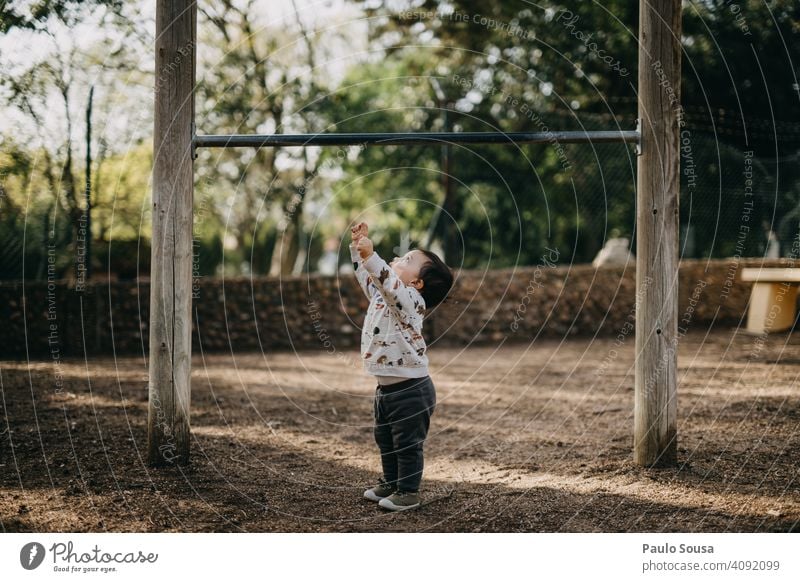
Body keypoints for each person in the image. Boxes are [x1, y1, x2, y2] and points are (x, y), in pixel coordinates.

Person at [349, 221, 453, 511]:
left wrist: (373, 257)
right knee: (385, 439)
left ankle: (408, 492)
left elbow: (388, 282)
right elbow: (370, 279)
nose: (397, 259)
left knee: (407, 444)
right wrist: (359, 252)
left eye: (407, 260)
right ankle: (392, 482)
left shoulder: (411, 301)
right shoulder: (385, 295)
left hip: (412, 390)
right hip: (386, 390)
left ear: (417, 283)